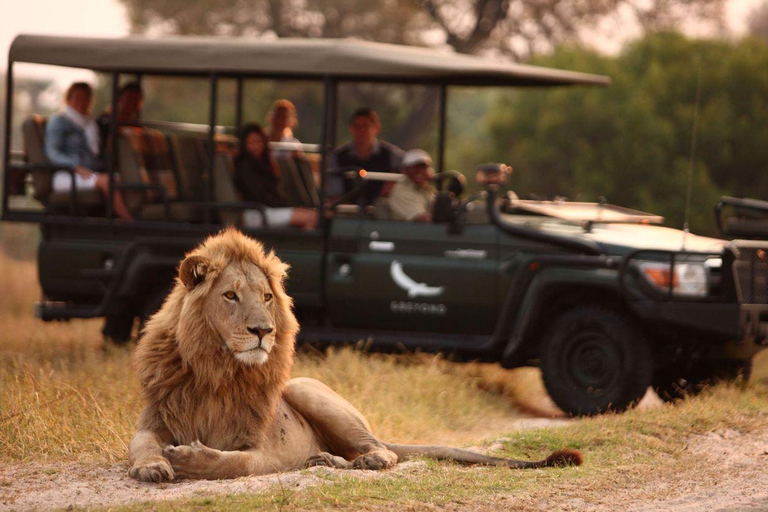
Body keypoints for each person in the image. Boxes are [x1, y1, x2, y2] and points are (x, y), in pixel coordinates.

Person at [45, 82, 133, 221]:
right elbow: (52, 153)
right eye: (77, 98)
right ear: (68, 99)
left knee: (121, 179)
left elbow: (97, 154)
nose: (82, 102)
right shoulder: (59, 121)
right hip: (67, 174)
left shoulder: (90, 124)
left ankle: (122, 217)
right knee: (107, 181)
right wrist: (74, 166)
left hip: (89, 173)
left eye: (86, 98)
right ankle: (130, 222)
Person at [234, 123, 317, 230]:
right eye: (250, 142)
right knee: (313, 218)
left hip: (269, 210)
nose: (255, 146)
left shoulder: (264, 164)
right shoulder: (244, 166)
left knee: (313, 216)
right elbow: (260, 195)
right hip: (256, 212)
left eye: (258, 142)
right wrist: (288, 208)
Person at [329, 107, 404, 207]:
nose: (361, 131)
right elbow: (335, 193)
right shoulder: (337, 157)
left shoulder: (390, 154)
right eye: (357, 126)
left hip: (383, 213)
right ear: (351, 129)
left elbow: (410, 165)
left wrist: (394, 181)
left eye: (366, 126)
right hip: (347, 214)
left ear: (376, 128)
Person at [389, 149, 436, 223]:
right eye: (415, 167)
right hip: (405, 233)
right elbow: (422, 219)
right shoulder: (401, 192)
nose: (420, 171)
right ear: (405, 169)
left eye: (423, 167)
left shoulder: (427, 190)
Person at [97, 81, 144, 155]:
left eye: (136, 99)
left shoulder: (137, 126)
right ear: (119, 99)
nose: (132, 103)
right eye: (129, 98)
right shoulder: (105, 122)